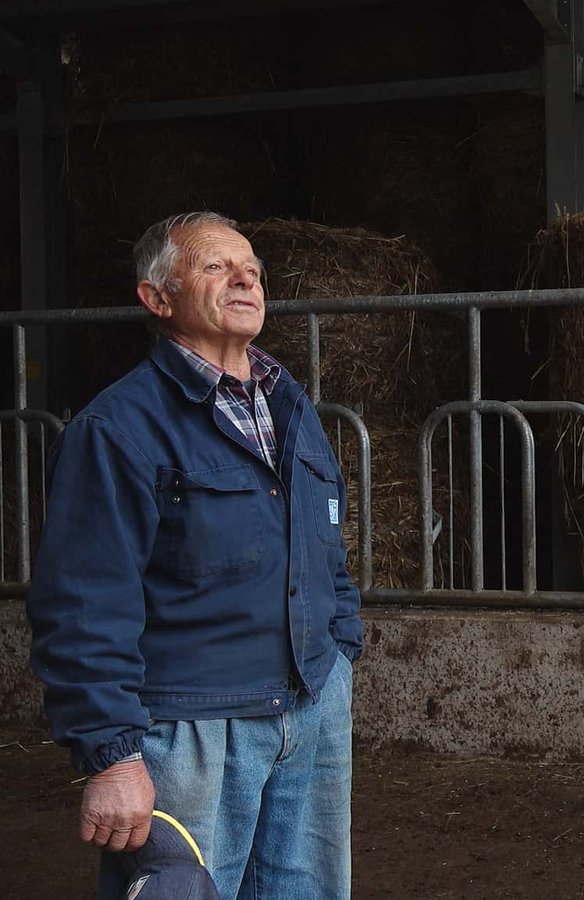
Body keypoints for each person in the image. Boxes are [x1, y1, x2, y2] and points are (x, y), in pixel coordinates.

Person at [27, 211, 363, 899]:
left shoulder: (290, 407)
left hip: (311, 710)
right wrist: (113, 756)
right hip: (191, 728)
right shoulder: (118, 430)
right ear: (157, 298)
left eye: (253, 270)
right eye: (215, 267)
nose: (244, 278)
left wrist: (339, 654)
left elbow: (327, 547)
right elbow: (86, 601)